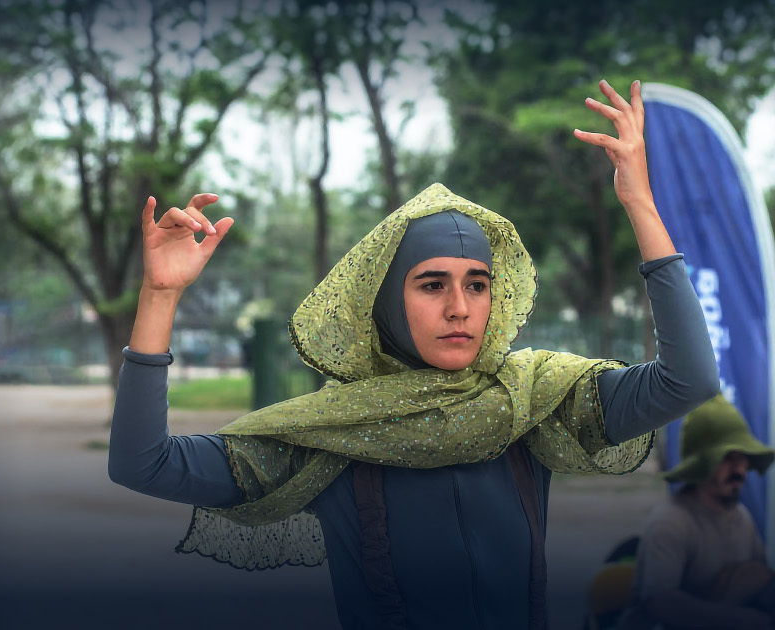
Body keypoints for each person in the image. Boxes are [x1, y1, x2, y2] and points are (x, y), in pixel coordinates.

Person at [108, 79, 720, 629]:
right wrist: (160, 296)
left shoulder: (534, 403)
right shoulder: (331, 436)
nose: (460, 307)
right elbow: (144, 464)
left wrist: (639, 202)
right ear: (386, 304)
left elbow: (687, 380)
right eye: (432, 285)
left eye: (477, 285)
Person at [620, 396, 775, 629]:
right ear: (701, 465)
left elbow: (760, 582)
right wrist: (740, 620)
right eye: (727, 458)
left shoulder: (742, 518)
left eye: (742, 457)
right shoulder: (671, 522)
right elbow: (660, 603)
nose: (739, 469)